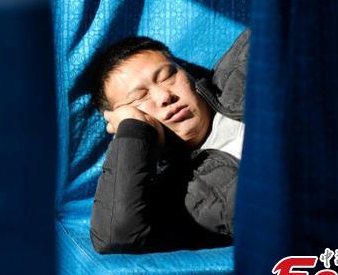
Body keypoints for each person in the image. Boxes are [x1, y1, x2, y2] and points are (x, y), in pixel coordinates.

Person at [87, 30, 249, 254]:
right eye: (139, 98)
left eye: (167, 76)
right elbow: (116, 234)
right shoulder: (176, 196)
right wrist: (132, 132)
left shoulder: (246, 64)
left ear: (186, 72)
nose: (164, 97)